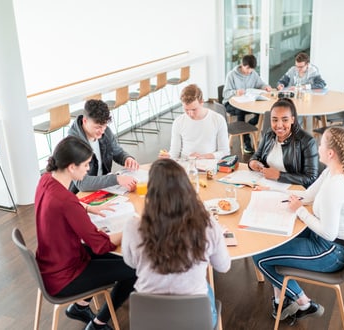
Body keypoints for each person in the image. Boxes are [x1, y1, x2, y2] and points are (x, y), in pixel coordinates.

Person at [252, 126, 344, 323]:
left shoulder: (335, 187)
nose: (317, 146)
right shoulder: (336, 171)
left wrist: (300, 211)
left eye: (321, 144)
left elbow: (328, 234)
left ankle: (304, 303)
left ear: (330, 153)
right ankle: (281, 301)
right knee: (272, 242)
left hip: (331, 250)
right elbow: (308, 195)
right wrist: (272, 191)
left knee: (260, 256)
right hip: (326, 240)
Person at [35, 136, 137, 330]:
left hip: (52, 262)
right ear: (72, 167)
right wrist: (131, 227)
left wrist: (87, 208)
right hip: (65, 276)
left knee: (124, 261)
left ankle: (80, 308)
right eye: (86, 165)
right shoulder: (66, 201)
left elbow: (63, 205)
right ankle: (98, 324)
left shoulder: (46, 179)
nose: (88, 169)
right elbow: (101, 245)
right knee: (134, 268)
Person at [121, 158, 231, 328]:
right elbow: (223, 267)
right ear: (186, 188)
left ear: (151, 192)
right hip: (196, 319)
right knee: (205, 287)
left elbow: (130, 263)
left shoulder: (133, 226)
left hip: (148, 317)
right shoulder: (208, 225)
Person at [68, 99, 139, 193]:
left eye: (104, 126)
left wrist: (126, 158)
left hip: (105, 188)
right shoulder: (73, 144)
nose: (102, 131)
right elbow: (82, 184)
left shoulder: (105, 131)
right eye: (98, 127)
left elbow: (117, 151)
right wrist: (116, 179)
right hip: (82, 195)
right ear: (85, 121)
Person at [248, 98, 319, 188]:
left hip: (294, 191)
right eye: (275, 120)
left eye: (285, 120)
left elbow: (311, 177)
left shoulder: (307, 141)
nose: (279, 125)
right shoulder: (269, 135)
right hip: (267, 186)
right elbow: (256, 156)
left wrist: (279, 175)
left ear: (292, 120)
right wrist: (253, 163)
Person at [160, 84, 229, 160]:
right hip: (186, 165)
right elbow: (174, 153)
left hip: (209, 165)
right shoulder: (178, 122)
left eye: (194, 109)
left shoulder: (218, 119)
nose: (190, 114)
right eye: (186, 110)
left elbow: (225, 152)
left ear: (202, 102)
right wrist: (168, 156)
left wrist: (203, 157)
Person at [222, 54, 272, 153]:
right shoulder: (231, 75)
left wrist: (265, 87)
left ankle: (248, 125)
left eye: (251, 69)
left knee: (261, 109)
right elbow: (225, 93)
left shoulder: (253, 74)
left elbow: (260, 84)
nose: (249, 71)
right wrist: (235, 92)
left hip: (248, 101)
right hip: (231, 103)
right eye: (247, 68)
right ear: (242, 64)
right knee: (241, 110)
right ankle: (246, 141)